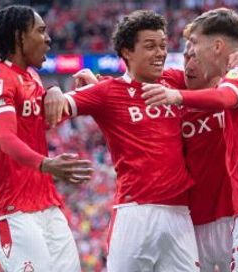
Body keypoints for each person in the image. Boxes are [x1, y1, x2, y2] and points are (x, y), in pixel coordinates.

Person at [141, 8, 238, 272]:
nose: (192, 54)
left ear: (217, 46)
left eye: (195, 45)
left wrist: (176, 97)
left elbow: (226, 98)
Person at [47, 10, 200, 272]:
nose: (160, 53)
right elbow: (58, 105)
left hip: (179, 214)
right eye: (150, 46)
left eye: (163, 46)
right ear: (127, 52)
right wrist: (52, 89)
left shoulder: (174, 81)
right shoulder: (107, 93)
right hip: (135, 213)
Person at [0, 5, 93, 272]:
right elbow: (6, 139)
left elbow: (48, 117)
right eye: (41, 31)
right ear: (19, 37)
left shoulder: (32, 78)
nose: (48, 39)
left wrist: (59, 91)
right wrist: (48, 164)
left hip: (46, 203)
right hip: (11, 208)